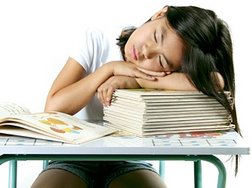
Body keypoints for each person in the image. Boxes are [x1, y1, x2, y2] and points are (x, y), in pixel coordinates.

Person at [32, 5, 239, 188]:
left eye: (162, 61)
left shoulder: (168, 71)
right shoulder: (97, 40)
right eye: (157, 36)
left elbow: (216, 80)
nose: (146, 52)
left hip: (131, 160)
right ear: (160, 13)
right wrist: (109, 69)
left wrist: (137, 80)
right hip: (72, 157)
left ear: (171, 70)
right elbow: (52, 107)